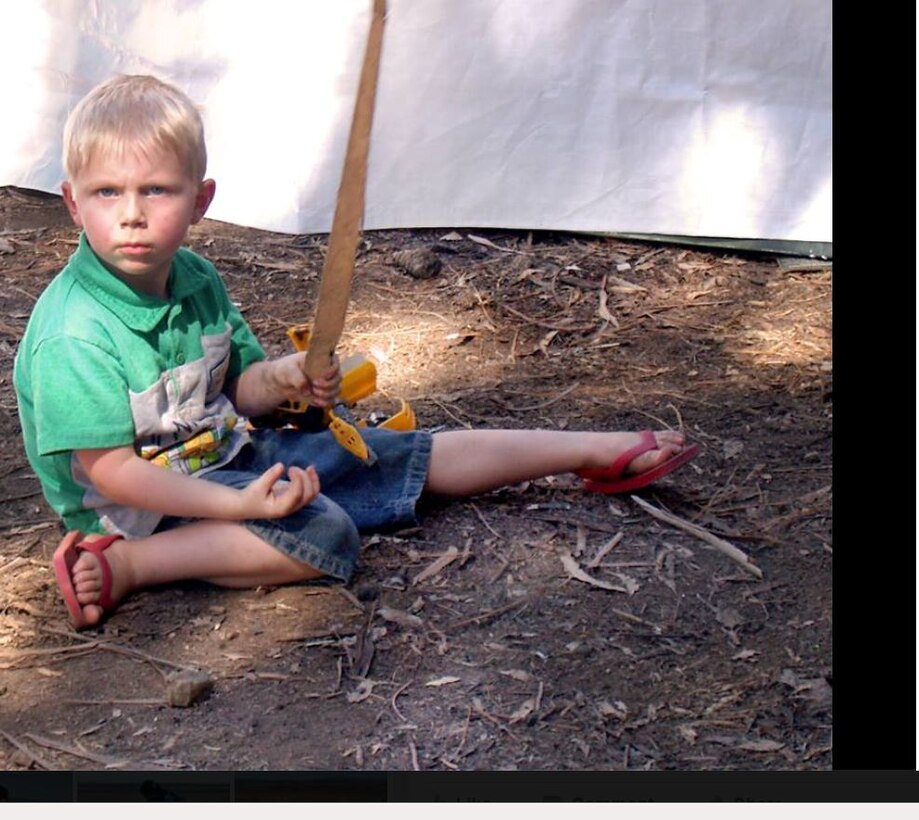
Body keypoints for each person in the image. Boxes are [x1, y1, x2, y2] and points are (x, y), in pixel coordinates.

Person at [13, 75, 698, 630]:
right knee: (327, 534)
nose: (130, 214)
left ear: (200, 200)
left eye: (155, 190)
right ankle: (130, 566)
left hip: (231, 455)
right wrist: (240, 505)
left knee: (392, 453)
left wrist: (283, 379)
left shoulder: (196, 279)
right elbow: (115, 475)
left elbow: (239, 389)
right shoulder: (75, 332)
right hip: (141, 505)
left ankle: (587, 452)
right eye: (108, 193)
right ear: (74, 203)